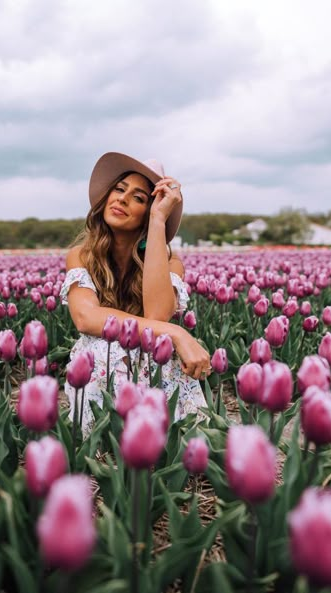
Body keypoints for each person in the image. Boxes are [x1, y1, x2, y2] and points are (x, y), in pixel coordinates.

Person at [60, 152, 211, 433]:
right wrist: (178, 332)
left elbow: (157, 314)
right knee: (108, 347)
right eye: (119, 189)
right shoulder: (81, 255)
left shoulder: (172, 264)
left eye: (139, 198)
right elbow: (85, 318)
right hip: (101, 366)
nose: (122, 199)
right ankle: (104, 434)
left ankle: (164, 438)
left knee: (159, 351)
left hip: (152, 367)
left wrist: (157, 222)